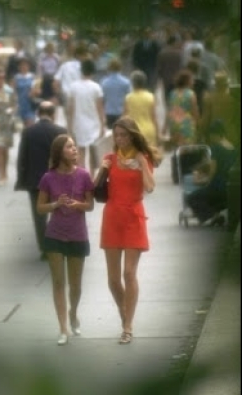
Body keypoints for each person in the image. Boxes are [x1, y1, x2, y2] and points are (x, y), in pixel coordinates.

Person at [97, 117, 161, 345]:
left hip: (134, 216)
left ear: (132, 135)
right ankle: (126, 317)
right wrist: (101, 170)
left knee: (128, 273)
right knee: (113, 279)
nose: (120, 139)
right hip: (112, 216)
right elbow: (96, 189)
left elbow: (150, 187)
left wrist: (142, 163)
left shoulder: (141, 158)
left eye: (124, 135)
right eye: (117, 136)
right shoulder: (110, 159)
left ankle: (127, 325)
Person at [37, 134, 95, 345]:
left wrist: (76, 205)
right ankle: (63, 328)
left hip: (78, 234)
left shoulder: (84, 175)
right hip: (55, 235)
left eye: (74, 146)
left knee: (76, 285)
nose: (74, 149)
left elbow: (90, 205)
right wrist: (55, 204)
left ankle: (73, 313)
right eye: (70, 147)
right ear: (60, 152)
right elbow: (40, 207)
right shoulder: (48, 178)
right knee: (59, 283)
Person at [15, 102, 68, 261]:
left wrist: (22, 178)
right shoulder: (60, 131)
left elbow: (22, 157)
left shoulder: (28, 132)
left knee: (39, 216)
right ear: (53, 114)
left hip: (35, 181)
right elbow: (66, 157)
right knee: (59, 212)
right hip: (57, 179)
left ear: (38, 113)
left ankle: (45, 249)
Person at [185, 121, 236, 226]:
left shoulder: (216, 148)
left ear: (214, 134)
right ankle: (215, 214)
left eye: (211, 135)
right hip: (230, 186)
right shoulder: (233, 148)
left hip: (217, 186)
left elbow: (213, 169)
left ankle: (213, 216)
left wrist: (206, 182)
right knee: (210, 198)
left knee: (191, 197)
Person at [66, 59, 105, 174]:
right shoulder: (96, 87)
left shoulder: (73, 87)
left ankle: (81, 177)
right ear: (93, 71)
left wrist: (69, 126)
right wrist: (102, 125)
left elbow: (70, 109)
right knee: (93, 152)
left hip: (79, 123)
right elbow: (100, 108)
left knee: (79, 152)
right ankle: (91, 177)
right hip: (94, 123)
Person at [162, 69, 199, 148]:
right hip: (187, 124)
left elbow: (169, 111)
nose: (193, 82)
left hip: (174, 124)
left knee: (177, 149)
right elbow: (195, 112)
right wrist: (197, 125)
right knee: (187, 149)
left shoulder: (172, 93)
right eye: (192, 80)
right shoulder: (191, 94)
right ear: (187, 81)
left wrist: (165, 127)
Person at [124, 70, 160, 147]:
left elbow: (125, 117)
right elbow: (154, 117)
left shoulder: (128, 98)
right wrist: (158, 134)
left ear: (133, 83)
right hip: (149, 130)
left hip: (134, 131)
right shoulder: (150, 97)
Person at [100, 58, 131, 129]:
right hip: (122, 112)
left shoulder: (104, 83)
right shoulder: (126, 82)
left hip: (109, 112)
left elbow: (102, 99)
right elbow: (129, 99)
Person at [131, 27, 161, 91]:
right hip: (141, 66)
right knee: (142, 81)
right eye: (146, 33)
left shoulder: (155, 44)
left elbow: (158, 55)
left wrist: (158, 66)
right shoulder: (138, 44)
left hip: (151, 66)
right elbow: (135, 55)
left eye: (149, 33)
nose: (147, 35)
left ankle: (151, 94)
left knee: (151, 83)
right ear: (143, 34)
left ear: (151, 34)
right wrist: (135, 65)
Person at [13, 58, 37, 128]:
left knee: (29, 127)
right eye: (22, 65)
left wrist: (33, 92)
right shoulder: (16, 78)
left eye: (25, 65)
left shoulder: (32, 77)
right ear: (19, 67)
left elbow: (37, 89)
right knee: (20, 128)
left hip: (29, 106)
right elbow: (13, 91)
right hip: (19, 105)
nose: (24, 67)